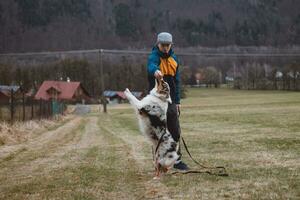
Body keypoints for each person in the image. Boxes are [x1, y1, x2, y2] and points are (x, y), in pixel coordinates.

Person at [147, 32, 189, 170]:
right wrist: (156, 72)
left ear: (171, 45)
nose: (165, 48)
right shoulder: (154, 56)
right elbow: (151, 65)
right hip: (157, 100)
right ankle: (159, 161)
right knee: (159, 132)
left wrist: (177, 102)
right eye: (163, 45)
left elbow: (176, 82)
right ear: (158, 44)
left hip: (171, 101)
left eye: (168, 45)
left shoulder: (174, 59)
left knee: (175, 131)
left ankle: (176, 161)